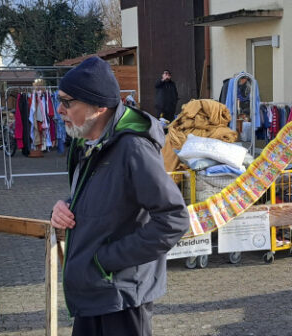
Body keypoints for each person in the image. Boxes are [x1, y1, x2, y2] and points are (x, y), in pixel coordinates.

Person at [50, 56, 189, 335]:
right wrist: (63, 207)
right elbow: (100, 198)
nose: (59, 110)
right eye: (60, 100)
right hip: (92, 294)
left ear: (99, 107)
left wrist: (106, 261)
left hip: (121, 299)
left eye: (68, 102)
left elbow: (174, 219)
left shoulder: (133, 148)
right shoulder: (87, 144)